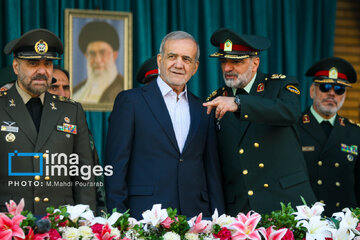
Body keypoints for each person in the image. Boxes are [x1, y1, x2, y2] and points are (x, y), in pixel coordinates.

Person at [105, 31, 225, 220]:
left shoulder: (203, 109)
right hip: (144, 217)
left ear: (195, 67)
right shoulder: (131, 102)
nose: (179, 64)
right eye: (172, 57)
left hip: (196, 219)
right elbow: (116, 167)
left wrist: (219, 219)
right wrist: (117, 218)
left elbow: (212, 172)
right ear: (160, 60)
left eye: (186, 59)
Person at [203, 28, 316, 216]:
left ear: (255, 63)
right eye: (224, 61)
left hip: (286, 203)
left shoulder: (280, 85)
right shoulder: (216, 99)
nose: (227, 68)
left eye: (236, 62)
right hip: (241, 210)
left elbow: (290, 112)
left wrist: (239, 103)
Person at [0, 29, 96, 215]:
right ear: (16, 67)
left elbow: (84, 178)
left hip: (60, 225)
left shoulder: (71, 110)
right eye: (33, 63)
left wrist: (85, 221)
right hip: (9, 225)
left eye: (48, 63)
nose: (42, 71)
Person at [297, 57, 360, 215]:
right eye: (325, 87)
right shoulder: (293, 127)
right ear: (312, 91)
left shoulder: (355, 133)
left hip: (344, 223)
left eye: (339, 89)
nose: (332, 93)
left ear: (344, 95)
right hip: (304, 221)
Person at [72, 21, 124, 104]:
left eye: (102, 53)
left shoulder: (124, 88)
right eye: (92, 54)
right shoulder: (76, 91)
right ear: (86, 56)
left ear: (114, 55)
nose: (98, 60)